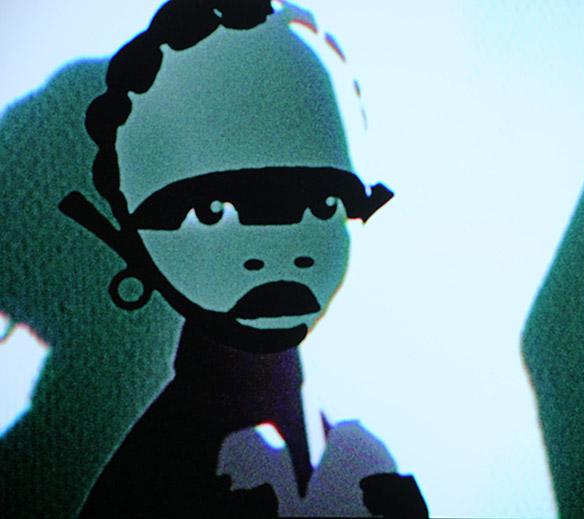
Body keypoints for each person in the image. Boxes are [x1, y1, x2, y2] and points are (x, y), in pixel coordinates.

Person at [60, 1, 427, 516]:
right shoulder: (154, 477)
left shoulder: (355, 461)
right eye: (212, 210)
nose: (280, 250)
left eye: (323, 203)